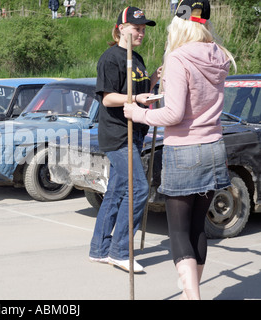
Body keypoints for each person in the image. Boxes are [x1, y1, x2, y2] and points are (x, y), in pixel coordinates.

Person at [124, 0, 236, 299]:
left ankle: (192, 296)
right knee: (198, 228)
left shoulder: (178, 57)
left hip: (184, 149)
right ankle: (192, 289)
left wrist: (138, 114)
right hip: (214, 147)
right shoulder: (219, 55)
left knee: (178, 232)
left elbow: (173, 115)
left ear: (179, 23)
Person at [89, 7, 161, 273]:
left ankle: (98, 249)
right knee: (139, 189)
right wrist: (135, 99)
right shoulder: (111, 58)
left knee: (117, 192)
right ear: (121, 29)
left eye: (143, 29)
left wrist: (152, 82)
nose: (141, 33)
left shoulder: (137, 57)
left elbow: (140, 92)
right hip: (118, 134)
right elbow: (107, 98)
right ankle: (120, 251)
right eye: (136, 28)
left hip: (137, 131)